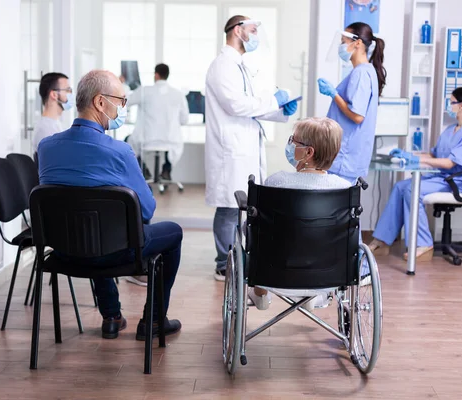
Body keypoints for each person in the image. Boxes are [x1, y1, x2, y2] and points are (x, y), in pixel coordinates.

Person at [38, 69, 183, 340]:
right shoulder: (119, 151)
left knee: (88, 226)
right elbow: (148, 209)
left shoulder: (47, 147)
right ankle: (153, 320)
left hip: (63, 252)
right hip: (115, 254)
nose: (123, 108)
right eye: (121, 100)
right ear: (100, 102)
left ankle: (111, 316)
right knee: (172, 232)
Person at [205, 15, 299, 281]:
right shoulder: (222, 65)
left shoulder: (239, 65)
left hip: (243, 144)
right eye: (253, 30)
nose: (256, 36)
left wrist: (280, 110)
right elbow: (236, 105)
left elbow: (251, 106)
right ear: (238, 31)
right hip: (229, 149)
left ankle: (242, 258)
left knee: (244, 206)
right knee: (227, 208)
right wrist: (272, 100)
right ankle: (223, 264)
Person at [369, 87, 462, 261]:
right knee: (401, 186)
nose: (449, 105)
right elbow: (434, 155)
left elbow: (451, 162)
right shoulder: (450, 129)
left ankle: (424, 245)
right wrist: (409, 154)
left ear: (461, 106)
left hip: (459, 182)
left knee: (411, 190)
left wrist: (418, 162)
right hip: (443, 177)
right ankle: (383, 241)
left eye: (451, 102)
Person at [248, 117, 352, 311]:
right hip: (328, 275)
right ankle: (314, 292)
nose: (289, 145)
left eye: (293, 141)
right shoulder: (344, 189)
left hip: (274, 272)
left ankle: (260, 294)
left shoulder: (276, 183)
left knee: (258, 233)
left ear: (308, 152)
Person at [317, 22, 386, 185]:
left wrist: (334, 94)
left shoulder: (361, 73)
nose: (341, 46)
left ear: (358, 43)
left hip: (345, 157)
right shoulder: (366, 71)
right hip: (348, 157)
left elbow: (357, 116)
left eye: (343, 41)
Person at [127, 63, 189, 182]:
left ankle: (144, 170)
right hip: (171, 141)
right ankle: (166, 169)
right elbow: (184, 120)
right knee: (172, 143)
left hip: (147, 140)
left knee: (128, 142)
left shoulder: (144, 91)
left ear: (156, 75)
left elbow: (126, 102)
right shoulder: (178, 94)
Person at [32, 72, 74, 153]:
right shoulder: (45, 130)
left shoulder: (55, 125)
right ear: (54, 95)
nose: (70, 94)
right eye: (67, 90)